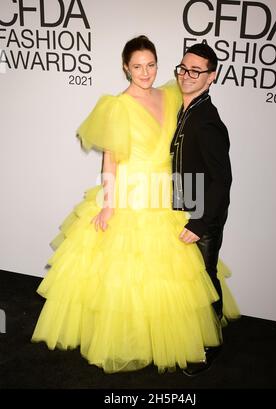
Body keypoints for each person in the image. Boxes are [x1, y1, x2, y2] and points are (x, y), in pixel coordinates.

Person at [31, 36, 239, 374]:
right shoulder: (116, 105)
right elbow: (110, 161)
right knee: (123, 276)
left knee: (166, 278)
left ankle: (169, 339)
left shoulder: (172, 95)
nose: (146, 72)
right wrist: (109, 204)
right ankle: (130, 340)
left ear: (159, 64)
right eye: (138, 66)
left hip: (165, 198)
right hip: (129, 195)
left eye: (152, 64)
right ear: (126, 67)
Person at [170, 43, 240, 375]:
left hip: (204, 216)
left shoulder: (207, 120)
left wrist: (198, 223)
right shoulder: (185, 108)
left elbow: (222, 181)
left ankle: (211, 346)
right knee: (190, 281)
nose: (186, 75)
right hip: (187, 208)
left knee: (205, 280)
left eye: (196, 71)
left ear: (211, 76)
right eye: (184, 68)